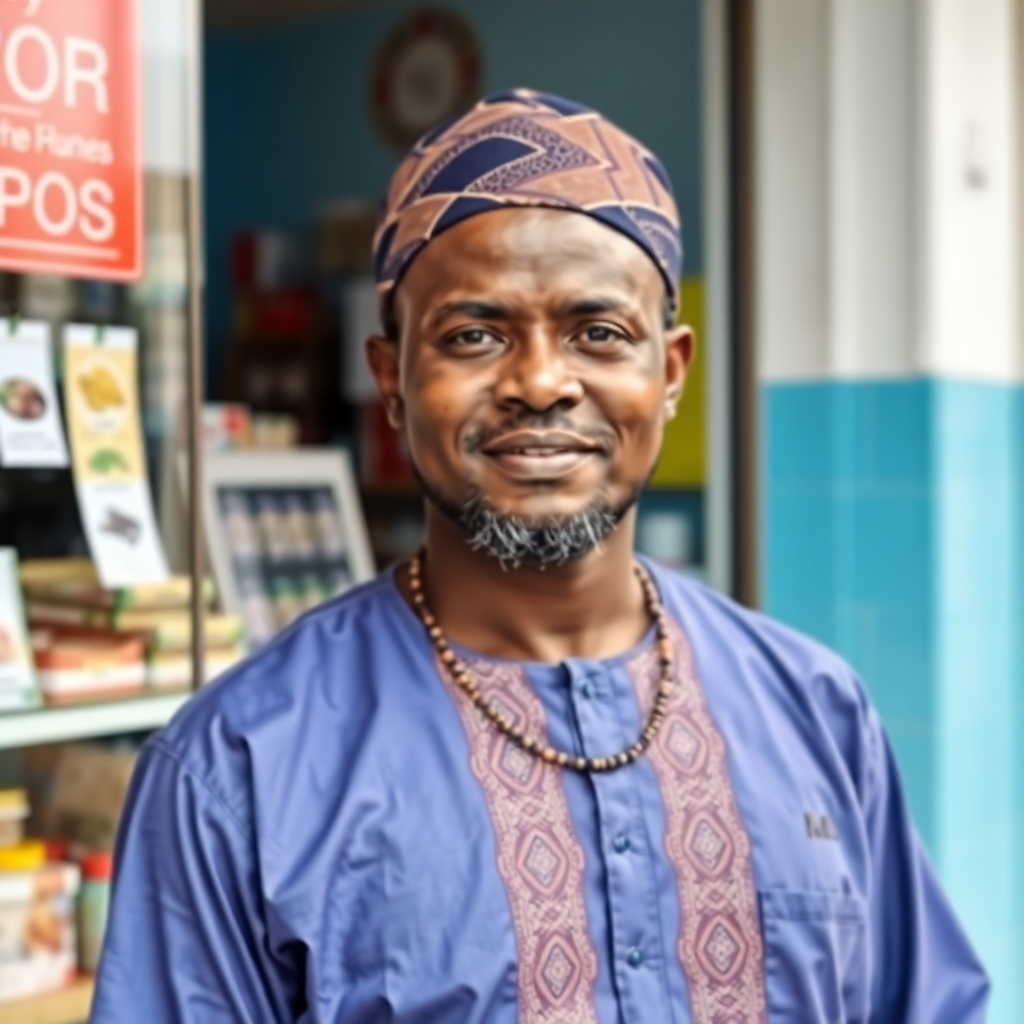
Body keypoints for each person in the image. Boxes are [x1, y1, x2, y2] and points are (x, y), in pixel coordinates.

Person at [91, 89, 988, 1024]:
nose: (541, 383)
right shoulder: (239, 769)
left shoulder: (815, 710)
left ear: (671, 374)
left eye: (598, 334)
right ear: (390, 382)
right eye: (473, 336)